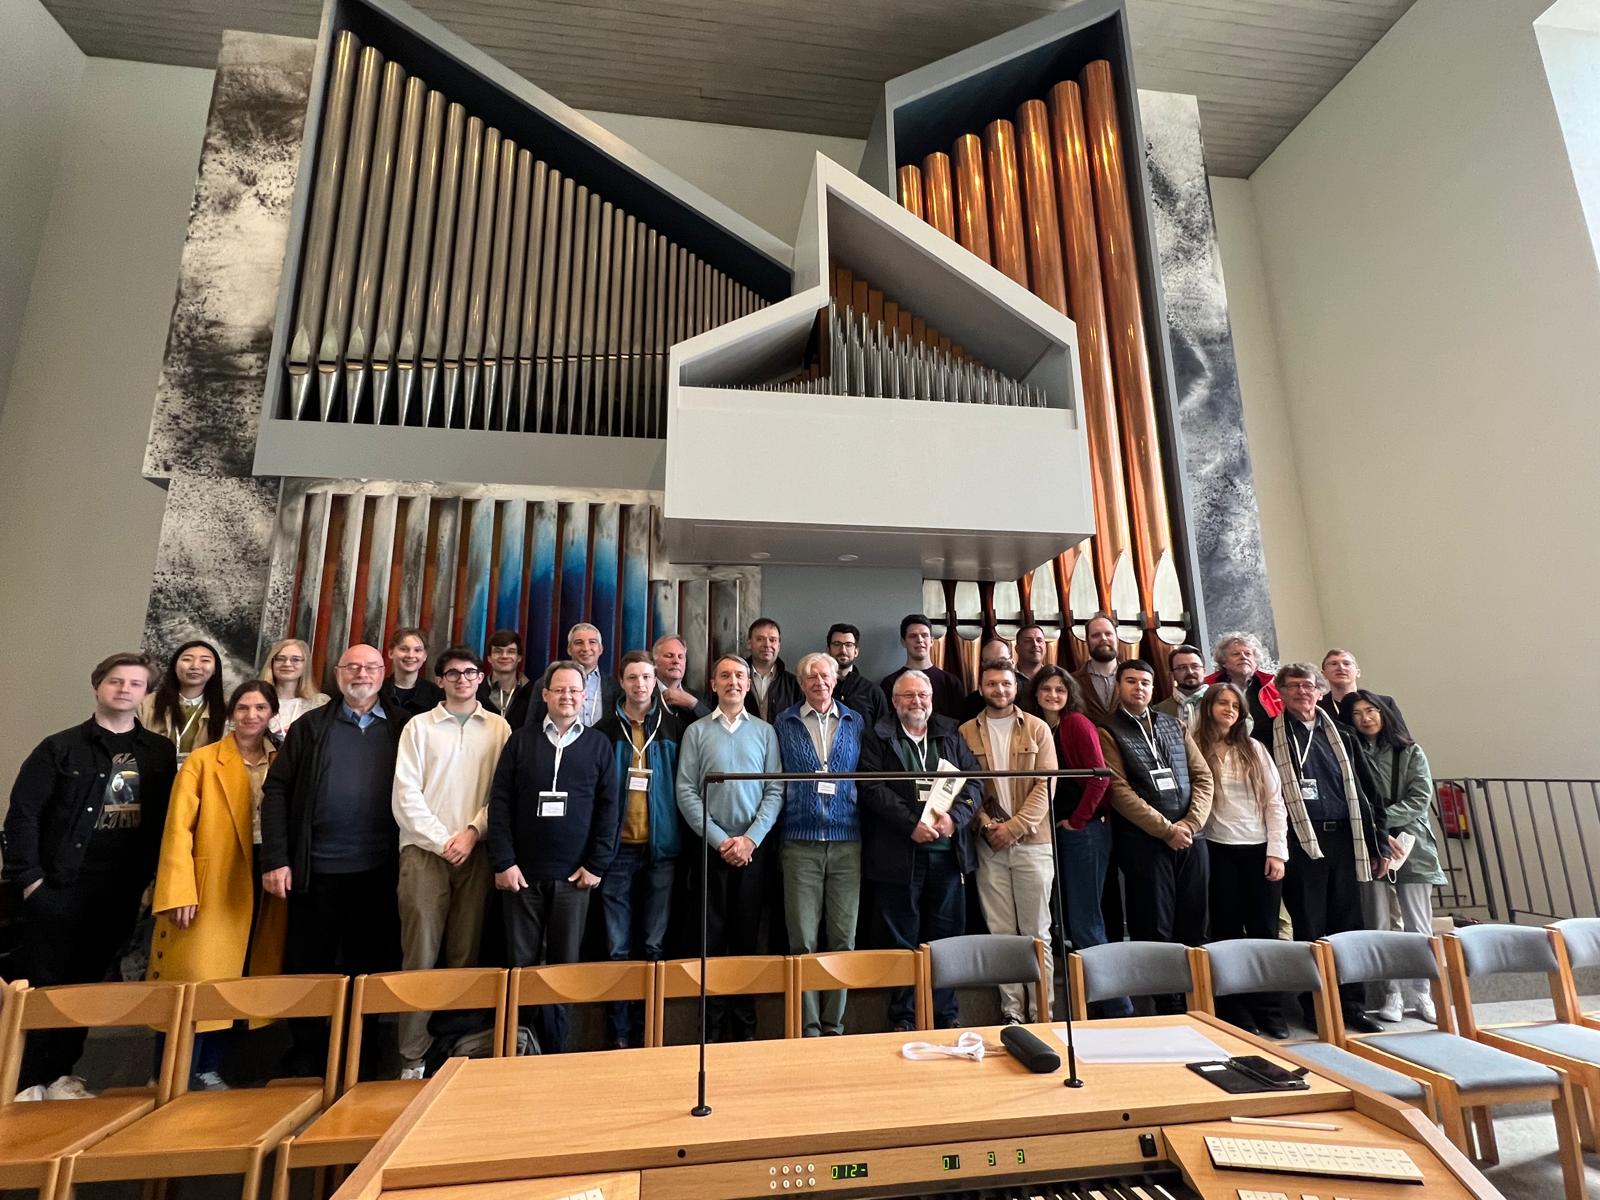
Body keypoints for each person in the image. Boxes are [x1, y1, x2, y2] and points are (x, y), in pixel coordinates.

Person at [5, 653, 175, 1099]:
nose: (124, 689)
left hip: (118, 890)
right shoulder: (59, 747)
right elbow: (23, 815)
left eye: (135, 684)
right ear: (98, 686)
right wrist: (30, 881)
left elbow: (164, 823)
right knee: (43, 986)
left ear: (146, 693)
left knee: (83, 988)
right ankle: (24, 1081)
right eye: (115, 681)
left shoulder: (158, 753)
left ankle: (61, 1074)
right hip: (60, 886)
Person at [259, 643, 402, 1072]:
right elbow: (277, 790)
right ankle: (306, 1050)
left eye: (371, 667)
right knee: (308, 965)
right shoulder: (311, 726)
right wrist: (276, 858)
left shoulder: (404, 726)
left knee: (370, 965)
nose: (361, 674)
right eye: (352, 667)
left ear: (383, 673)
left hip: (378, 871)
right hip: (315, 868)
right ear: (338, 674)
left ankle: (363, 1049)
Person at [149, 680, 287, 1089]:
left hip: (263, 872)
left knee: (239, 976)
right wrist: (179, 890)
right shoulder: (204, 760)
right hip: (212, 878)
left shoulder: (281, 759)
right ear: (231, 713)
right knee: (196, 977)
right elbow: (177, 830)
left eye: (260, 708)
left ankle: (210, 1068)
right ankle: (171, 1074)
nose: (251, 716)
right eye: (243, 708)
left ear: (272, 713)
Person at [391, 646, 511, 1077]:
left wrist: (473, 832)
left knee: (466, 954)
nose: (463, 679)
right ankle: (411, 1055)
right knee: (420, 955)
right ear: (439, 680)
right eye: (453, 674)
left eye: (470, 672)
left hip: (476, 852)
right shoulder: (419, 727)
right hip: (425, 853)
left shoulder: (498, 728)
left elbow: (502, 793)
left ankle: (455, 1049)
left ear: (481, 678)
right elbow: (405, 795)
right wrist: (444, 841)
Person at [489, 661, 619, 1052]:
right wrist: (503, 861)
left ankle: (557, 1050)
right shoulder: (520, 741)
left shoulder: (598, 744)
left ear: (585, 697)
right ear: (545, 695)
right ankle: (518, 1046)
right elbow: (500, 802)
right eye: (559, 689)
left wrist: (597, 864)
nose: (567, 697)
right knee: (521, 966)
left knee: (565, 968)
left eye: (574, 691)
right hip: (522, 875)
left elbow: (609, 809)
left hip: (575, 877)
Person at [1262, 663, 1390, 1033]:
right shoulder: (1267, 735)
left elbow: (1369, 791)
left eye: (1308, 685)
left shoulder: (1343, 734)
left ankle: (1353, 1006)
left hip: (1346, 839)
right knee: (1309, 927)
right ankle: (1316, 1007)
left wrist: (1379, 842)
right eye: (1293, 686)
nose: (1302, 692)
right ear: (1280, 693)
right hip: (1301, 843)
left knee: (1349, 926)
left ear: (1319, 691)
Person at [858, 671, 981, 1031]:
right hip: (898, 855)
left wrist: (955, 820)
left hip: (947, 856)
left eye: (922, 695)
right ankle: (904, 1016)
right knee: (900, 939)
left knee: (945, 939)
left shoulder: (950, 733)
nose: (916, 702)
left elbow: (975, 780)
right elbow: (871, 788)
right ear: (895, 701)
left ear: (932, 699)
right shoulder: (878, 736)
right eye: (908, 696)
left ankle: (945, 1014)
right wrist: (910, 824)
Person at [675, 654, 783, 1041]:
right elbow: (686, 791)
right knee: (711, 942)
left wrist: (750, 839)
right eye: (725, 676)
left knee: (747, 940)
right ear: (714, 684)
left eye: (739, 676)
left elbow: (775, 789)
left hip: (753, 851)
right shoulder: (697, 731)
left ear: (748, 685)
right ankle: (711, 1027)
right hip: (712, 850)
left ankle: (745, 1028)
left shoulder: (765, 732)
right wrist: (721, 841)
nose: (733, 682)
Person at [1098, 659, 1214, 1010]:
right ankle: (1166, 1005)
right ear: (1119, 686)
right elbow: (1118, 790)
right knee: (1155, 925)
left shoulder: (1174, 725)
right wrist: (1165, 830)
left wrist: (1190, 824)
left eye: (1145, 682)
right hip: (1145, 842)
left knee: (1195, 922)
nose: (1139, 688)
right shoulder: (1107, 730)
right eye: (1131, 681)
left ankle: (1198, 1001)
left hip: (1191, 838)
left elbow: (1203, 777)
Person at [1027, 665, 1130, 1019]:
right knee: (1073, 922)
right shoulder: (1042, 728)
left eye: (1060, 689)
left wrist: (1078, 820)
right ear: (1036, 693)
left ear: (1070, 694)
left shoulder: (1076, 723)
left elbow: (1100, 778)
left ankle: (1119, 1008)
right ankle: (1098, 1005)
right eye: (1046, 689)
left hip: (1084, 833)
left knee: (1086, 922)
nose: (1053, 695)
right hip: (1061, 833)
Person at [960, 659, 1058, 1024]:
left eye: (1005, 684)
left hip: (1033, 843)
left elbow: (1046, 784)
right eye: (991, 684)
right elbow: (965, 789)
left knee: (1037, 933)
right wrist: (987, 826)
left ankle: (1042, 1013)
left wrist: (1014, 828)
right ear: (981, 688)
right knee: (1001, 933)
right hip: (989, 846)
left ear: (1016, 687)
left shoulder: (1037, 728)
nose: (999, 690)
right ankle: (1013, 1012)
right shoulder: (965, 732)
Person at [594, 651, 684, 1048]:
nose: (640, 684)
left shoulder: (674, 726)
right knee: (617, 948)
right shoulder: (603, 730)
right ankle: (620, 1036)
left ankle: (651, 1034)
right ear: (622, 682)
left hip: (661, 850)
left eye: (647, 677)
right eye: (633, 678)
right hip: (616, 852)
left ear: (655, 681)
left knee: (653, 946)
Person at [773, 653, 865, 1037]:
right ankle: (808, 1027)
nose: (819, 682)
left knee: (844, 939)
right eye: (811, 676)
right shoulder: (784, 722)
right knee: (802, 941)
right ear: (800, 682)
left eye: (825, 675)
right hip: (799, 842)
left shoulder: (855, 721)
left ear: (835, 680)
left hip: (847, 842)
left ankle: (834, 1026)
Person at [1195, 683, 1289, 1037]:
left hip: (1259, 850)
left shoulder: (1254, 748)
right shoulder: (1196, 747)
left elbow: (1275, 803)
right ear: (1209, 707)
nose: (1229, 710)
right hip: (1218, 850)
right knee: (1226, 932)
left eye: (1235, 705)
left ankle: (1269, 1009)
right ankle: (1235, 1009)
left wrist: (1277, 851)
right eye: (1222, 703)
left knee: (1265, 932)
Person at [1351, 690, 1445, 1024]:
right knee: (1378, 923)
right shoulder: (1351, 751)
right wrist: (1377, 832)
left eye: (1371, 710)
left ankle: (1423, 992)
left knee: (1419, 926)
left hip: (1412, 844)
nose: (1365, 718)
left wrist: (1381, 822)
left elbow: (1419, 798)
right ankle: (1391, 992)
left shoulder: (1410, 751)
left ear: (1384, 713)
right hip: (1370, 845)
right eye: (1357, 713)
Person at [141, 639, 228, 763]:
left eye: (205, 660)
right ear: (174, 666)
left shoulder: (224, 713)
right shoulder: (146, 704)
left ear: (215, 669)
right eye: (187, 659)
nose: (195, 666)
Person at [523, 624, 619, 730]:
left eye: (592, 642)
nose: (586, 648)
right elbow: (531, 727)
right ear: (569, 649)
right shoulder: (545, 683)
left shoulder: (613, 686)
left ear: (600, 649)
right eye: (579, 642)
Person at [881, 614, 964, 721]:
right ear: (903, 642)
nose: (919, 640)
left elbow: (960, 724)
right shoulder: (890, 684)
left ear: (932, 641)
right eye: (913, 636)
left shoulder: (951, 682)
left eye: (924, 635)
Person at [1207, 631, 1282, 734]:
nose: (1243, 657)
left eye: (1248, 654)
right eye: (1236, 654)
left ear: (1255, 662)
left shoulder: (1272, 687)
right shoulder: (1209, 687)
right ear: (1224, 662)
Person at [260, 637, 330, 739]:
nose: (287, 664)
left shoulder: (320, 703)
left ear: (305, 665)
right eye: (280, 658)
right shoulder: (255, 701)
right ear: (272, 663)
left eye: (296, 659)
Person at [825, 623, 887, 729]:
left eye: (848, 645)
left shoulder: (873, 692)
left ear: (856, 651)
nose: (843, 650)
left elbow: (884, 732)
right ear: (828, 650)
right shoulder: (818, 689)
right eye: (837, 644)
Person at [379, 627, 443, 729]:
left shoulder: (437, 695)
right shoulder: (377, 691)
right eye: (404, 649)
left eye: (417, 650)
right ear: (390, 653)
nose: (410, 655)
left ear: (425, 656)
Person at [1320, 649, 1402, 727]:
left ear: (1358, 673)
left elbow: (1401, 735)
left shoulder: (1385, 703)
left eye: (1347, 664)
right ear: (1323, 674)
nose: (1341, 667)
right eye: (1334, 664)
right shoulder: (1317, 707)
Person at [743, 618, 802, 723]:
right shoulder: (735, 680)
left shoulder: (794, 684)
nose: (767, 645)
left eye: (772, 640)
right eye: (760, 639)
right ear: (749, 643)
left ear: (779, 645)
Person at [1071, 614, 1121, 725]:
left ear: (1117, 639)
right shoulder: (1071, 681)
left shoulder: (1135, 679)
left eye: (1108, 634)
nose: (1103, 638)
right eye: (1096, 635)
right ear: (1087, 641)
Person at [479, 629, 534, 729]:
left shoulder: (533, 692)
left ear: (519, 657)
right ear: (489, 658)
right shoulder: (476, 692)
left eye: (511, 651)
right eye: (498, 651)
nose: (504, 656)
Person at [651, 633, 710, 724]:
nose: (676, 661)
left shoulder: (697, 698)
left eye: (680, 657)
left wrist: (693, 704)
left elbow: (715, 728)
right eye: (669, 656)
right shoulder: (644, 693)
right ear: (654, 662)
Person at [1154, 643, 1208, 732]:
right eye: (1182, 668)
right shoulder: (1159, 711)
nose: (1190, 672)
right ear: (1172, 675)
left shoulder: (1221, 702)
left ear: (1204, 671)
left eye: (1195, 666)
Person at [960, 634, 1014, 721]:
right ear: (983, 665)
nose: (997, 666)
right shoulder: (971, 704)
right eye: (991, 662)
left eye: (1002, 660)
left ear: (1012, 662)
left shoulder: (1028, 694)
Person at [1014, 623, 1048, 707]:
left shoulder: (1054, 677)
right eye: (1028, 641)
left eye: (1039, 640)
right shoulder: (1007, 678)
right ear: (1017, 648)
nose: (1035, 644)